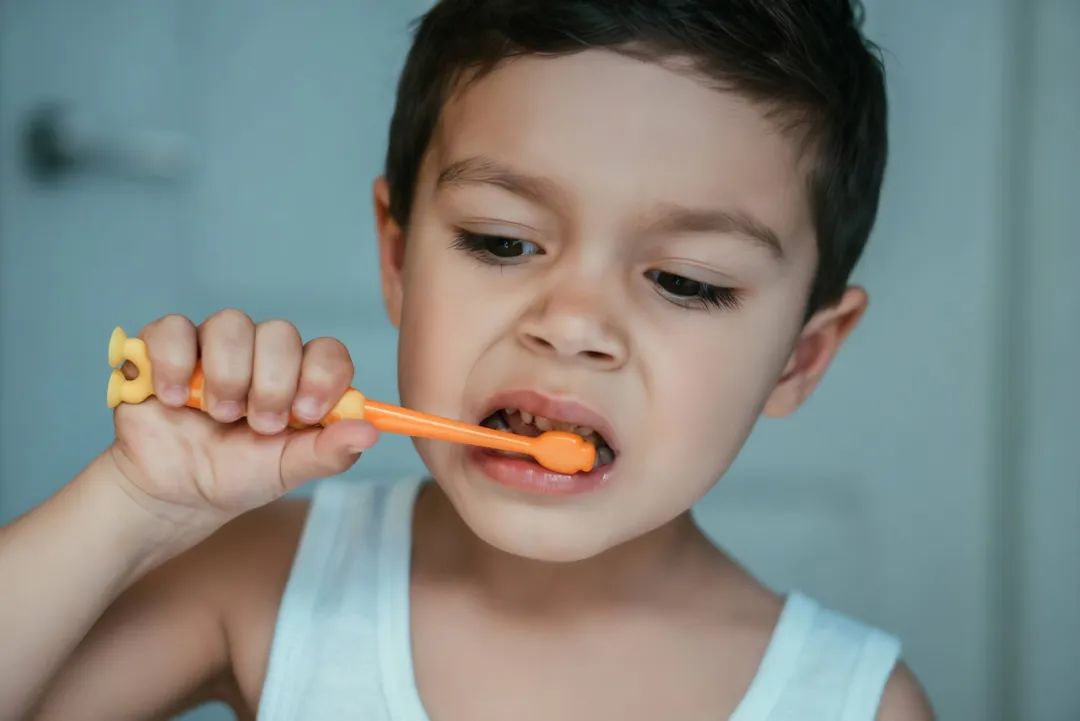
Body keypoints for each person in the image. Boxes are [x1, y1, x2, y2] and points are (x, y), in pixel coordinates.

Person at [1, 1, 936, 718]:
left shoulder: (851, 700)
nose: (570, 325)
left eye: (687, 282)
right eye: (501, 241)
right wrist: (132, 504)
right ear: (400, 257)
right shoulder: (264, 575)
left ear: (799, 359)